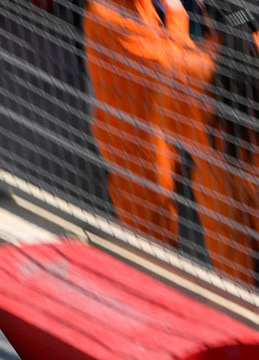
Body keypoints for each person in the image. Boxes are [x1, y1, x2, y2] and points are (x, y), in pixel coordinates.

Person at [83, 0, 213, 245]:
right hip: (137, 150)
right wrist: (176, 14)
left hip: (151, 133)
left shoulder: (134, 6)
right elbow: (170, 65)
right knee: (152, 241)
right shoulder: (111, 14)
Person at [192, 2, 259, 282]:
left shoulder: (192, 66)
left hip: (221, 198)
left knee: (238, 294)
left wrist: (175, 24)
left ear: (206, 11)